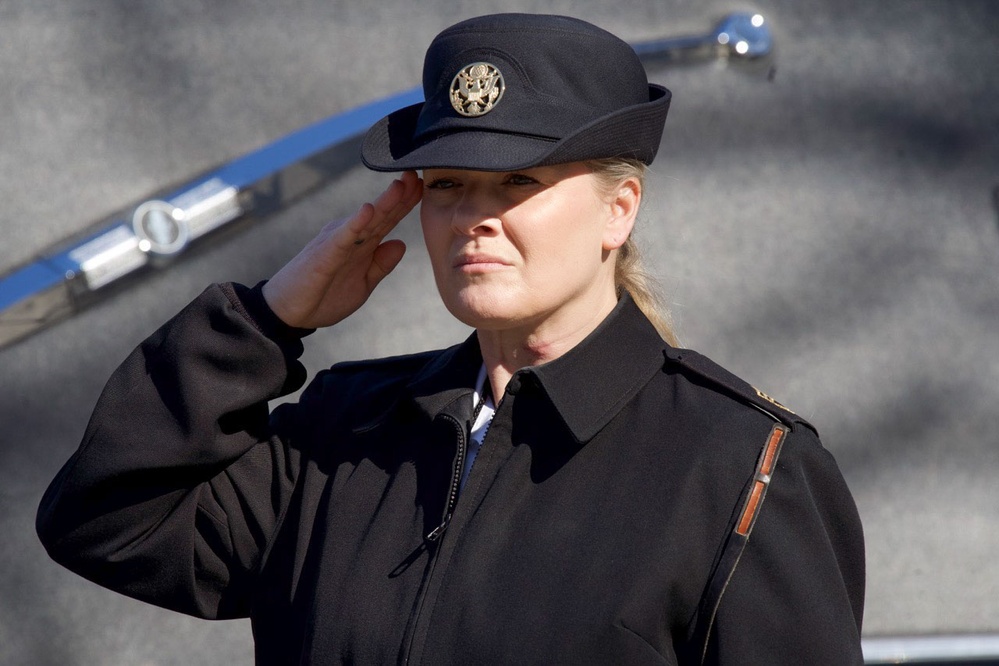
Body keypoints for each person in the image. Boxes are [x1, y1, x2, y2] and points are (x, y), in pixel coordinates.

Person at [36, 12, 865, 665]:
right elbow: (107, 519)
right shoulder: (346, 428)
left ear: (619, 208)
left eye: (519, 183)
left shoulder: (743, 465)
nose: (475, 220)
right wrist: (263, 321)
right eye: (446, 186)